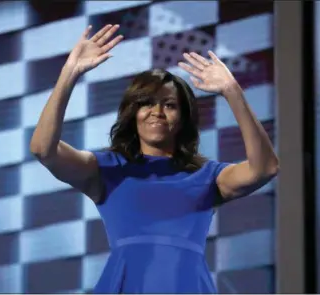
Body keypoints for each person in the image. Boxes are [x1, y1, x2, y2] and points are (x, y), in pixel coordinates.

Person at [30, 24, 279, 293]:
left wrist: (232, 90)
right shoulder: (107, 169)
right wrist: (69, 73)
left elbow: (266, 168)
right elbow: (43, 149)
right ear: (132, 113)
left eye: (169, 105)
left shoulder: (207, 176)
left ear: (183, 118)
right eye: (146, 103)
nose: (157, 112)